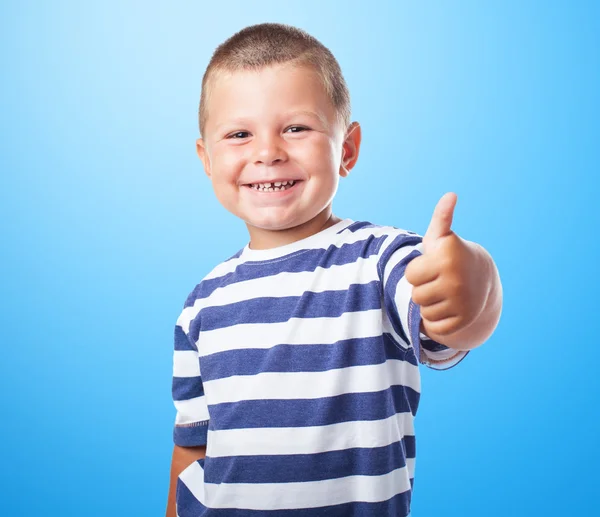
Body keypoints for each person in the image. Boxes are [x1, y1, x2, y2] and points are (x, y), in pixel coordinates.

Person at [166, 22, 502, 517]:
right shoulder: (202, 303)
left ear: (346, 148)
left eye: (296, 128)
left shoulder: (381, 261)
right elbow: (193, 447)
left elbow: (451, 320)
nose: (268, 152)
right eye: (239, 134)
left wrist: (473, 281)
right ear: (207, 158)